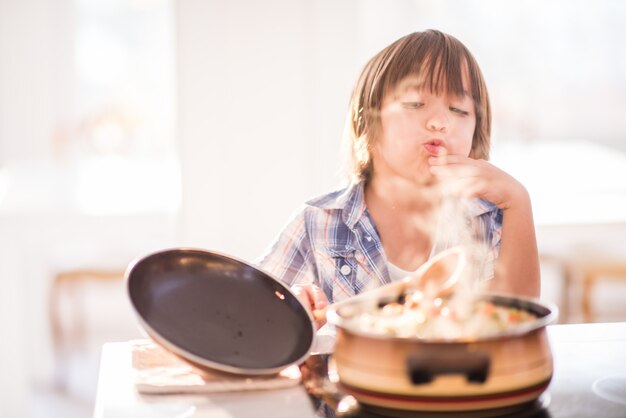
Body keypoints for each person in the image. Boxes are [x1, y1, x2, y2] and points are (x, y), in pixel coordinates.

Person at [257, 29, 540, 327]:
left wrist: (518, 200)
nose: (440, 122)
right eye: (415, 104)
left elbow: (517, 318)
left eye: (458, 110)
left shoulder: (490, 217)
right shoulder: (318, 222)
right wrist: (290, 307)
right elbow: (248, 313)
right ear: (369, 121)